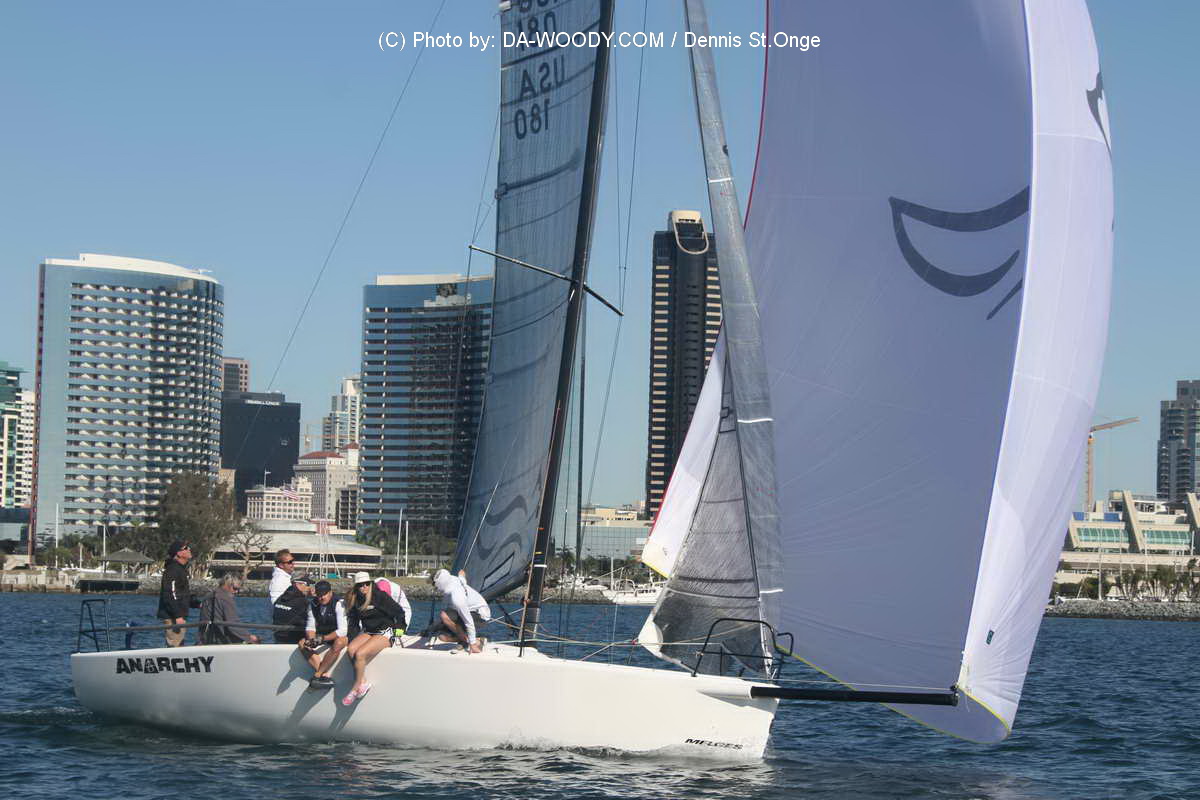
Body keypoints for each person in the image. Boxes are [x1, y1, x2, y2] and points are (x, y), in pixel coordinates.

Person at [342, 572, 407, 706]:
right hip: (369, 631)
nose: (364, 587)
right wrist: (351, 638)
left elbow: (399, 612)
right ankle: (363, 682)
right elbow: (353, 623)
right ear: (356, 587)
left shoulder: (380, 596)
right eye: (361, 585)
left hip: (386, 631)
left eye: (367, 584)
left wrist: (400, 630)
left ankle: (355, 688)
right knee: (352, 649)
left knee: (360, 654)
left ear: (371, 584)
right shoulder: (356, 600)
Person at [431, 568, 491, 654]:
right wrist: (462, 573)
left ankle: (473, 642)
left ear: (440, 585)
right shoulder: (456, 579)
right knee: (442, 637)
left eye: (435, 585)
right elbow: (462, 574)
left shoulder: (457, 598)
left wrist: (472, 644)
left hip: (481, 615)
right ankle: (473, 639)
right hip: (466, 612)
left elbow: (468, 621)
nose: (434, 587)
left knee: (444, 616)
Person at [302, 580, 348, 689]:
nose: (322, 598)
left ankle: (317, 675)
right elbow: (310, 627)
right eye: (319, 595)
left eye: (324, 594)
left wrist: (322, 639)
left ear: (330, 592)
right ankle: (324, 675)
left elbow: (343, 630)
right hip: (323, 636)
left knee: (339, 642)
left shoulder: (339, 603)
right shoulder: (313, 604)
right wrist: (312, 640)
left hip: (339, 636)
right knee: (302, 643)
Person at [156, 540, 200, 647]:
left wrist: (197, 604)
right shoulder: (173, 570)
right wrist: (178, 615)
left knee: (179, 645)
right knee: (175, 646)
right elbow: (170, 594)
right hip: (173, 617)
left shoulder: (180, 569)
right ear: (179, 553)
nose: (189, 549)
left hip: (178, 616)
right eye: (186, 548)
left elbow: (181, 594)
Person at [199, 574, 261, 644]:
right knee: (256, 640)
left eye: (238, 590)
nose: (236, 592)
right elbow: (232, 624)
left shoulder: (208, 596)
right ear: (227, 584)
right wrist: (249, 637)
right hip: (219, 641)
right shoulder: (225, 598)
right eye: (235, 588)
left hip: (204, 639)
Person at [272, 572, 314, 644]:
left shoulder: (281, 598)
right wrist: (316, 599)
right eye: (308, 584)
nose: (309, 588)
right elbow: (313, 620)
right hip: (295, 639)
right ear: (298, 584)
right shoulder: (302, 602)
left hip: (278, 638)